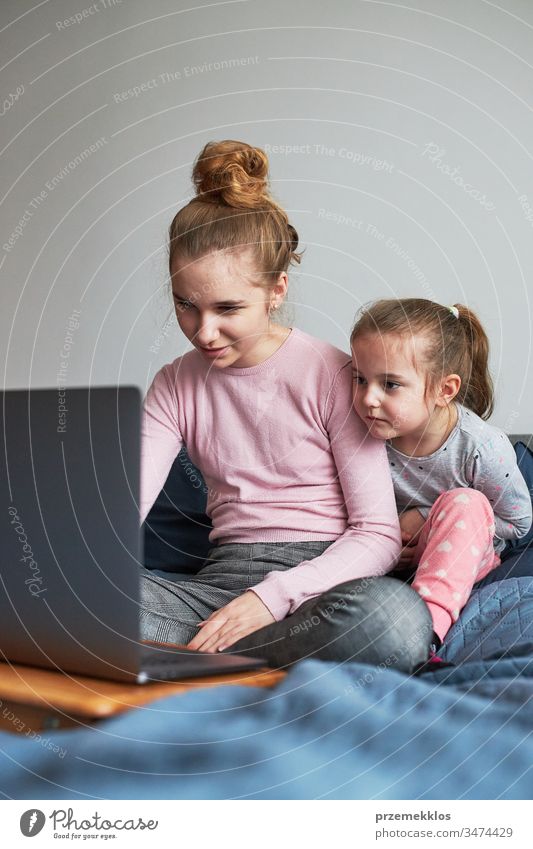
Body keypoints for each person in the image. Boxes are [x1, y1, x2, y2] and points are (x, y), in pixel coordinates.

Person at [139, 140, 433, 671]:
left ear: (277, 289)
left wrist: (271, 599)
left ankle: (197, 662)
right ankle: (221, 659)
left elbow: (378, 533)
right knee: (46, 595)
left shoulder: (336, 373)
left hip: (323, 584)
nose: (202, 332)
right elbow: (123, 507)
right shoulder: (173, 385)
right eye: (185, 304)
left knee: (392, 621)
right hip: (216, 594)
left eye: (228, 307)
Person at [350, 298, 532, 649]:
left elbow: (518, 523)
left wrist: (424, 521)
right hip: (382, 551)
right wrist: (386, 538)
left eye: (390, 385)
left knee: (466, 501)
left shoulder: (481, 447)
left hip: (461, 552)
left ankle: (423, 634)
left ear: (443, 390)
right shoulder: (359, 432)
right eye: (359, 379)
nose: (368, 398)